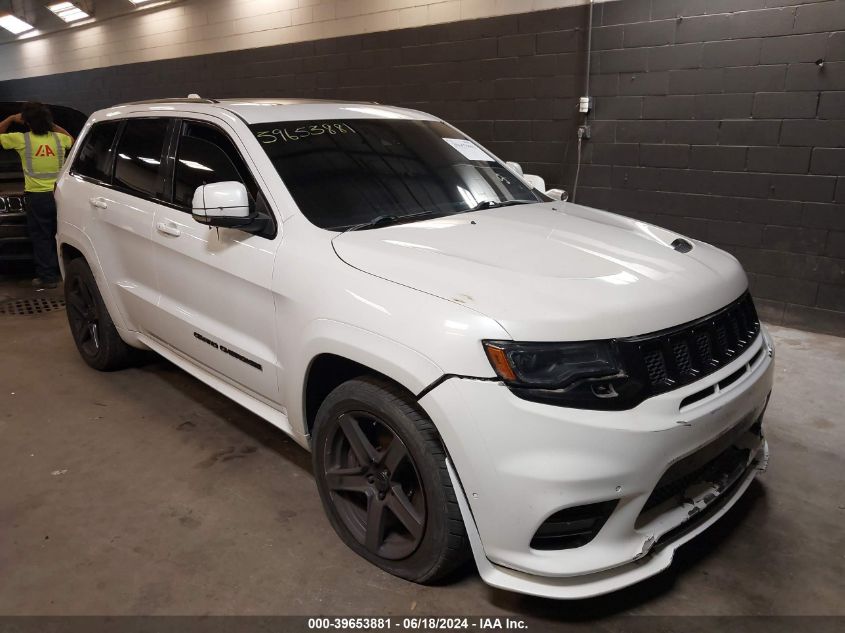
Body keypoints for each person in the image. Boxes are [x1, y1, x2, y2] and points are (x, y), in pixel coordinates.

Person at [0, 102, 73, 289]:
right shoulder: (58, 139)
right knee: (61, 234)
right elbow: (71, 138)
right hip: (60, 196)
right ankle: (66, 273)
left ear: (26, 122)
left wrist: (9, 118)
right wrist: (50, 124)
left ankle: (48, 278)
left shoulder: (22, 139)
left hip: (37, 197)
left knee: (42, 237)